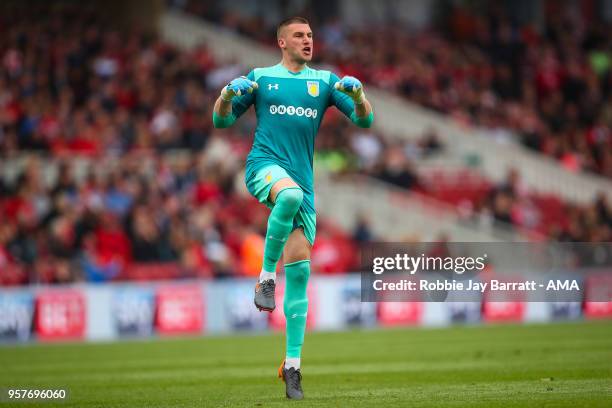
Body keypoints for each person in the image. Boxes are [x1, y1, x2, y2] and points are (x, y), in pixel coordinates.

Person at [212, 16, 373, 400]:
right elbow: (220, 121)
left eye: (311, 35)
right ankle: (266, 276)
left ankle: (293, 367)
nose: (307, 40)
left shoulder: (325, 83)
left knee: (300, 273)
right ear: (281, 42)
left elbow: (365, 122)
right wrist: (226, 95)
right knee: (288, 197)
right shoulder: (261, 79)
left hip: (303, 182)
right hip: (264, 167)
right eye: (299, 36)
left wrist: (360, 96)